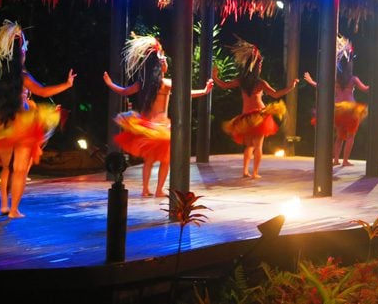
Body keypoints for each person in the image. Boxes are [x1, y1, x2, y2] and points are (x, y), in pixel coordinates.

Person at [0, 20, 75, 218]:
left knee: (6, 168)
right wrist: (67, 84)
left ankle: (3, 204)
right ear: (21, 53)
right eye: (24, 49)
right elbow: (43, 92)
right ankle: (14, 210)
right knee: (19, 170)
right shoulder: (23, 75)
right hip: (24, 127)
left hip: (4, 125)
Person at [103, 33, 213, 197]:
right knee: (166, 160)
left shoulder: (143, 84)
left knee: (149, 160)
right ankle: (158, 190)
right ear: (160, 66)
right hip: (161, 129)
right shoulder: (165, 83)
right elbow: (186, 92)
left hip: (147, 127)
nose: (166, 63)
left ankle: (145, 189)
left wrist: (110, 83)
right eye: (164, 61)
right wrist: (204, 91)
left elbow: (124, 91)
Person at [212, 36, 298, 179]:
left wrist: (215, 77)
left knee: (249, 146)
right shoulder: (260, 83)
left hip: (247, 117)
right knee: (258, 146)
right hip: (259, 116)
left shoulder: (241, 81)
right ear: (255, 67)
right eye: (259, 65)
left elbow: (223, 85)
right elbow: (276, 95)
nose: (260, 67)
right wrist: (291, 87)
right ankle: (255, 173)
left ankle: (246, 171)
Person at [303, 35, 369, 166]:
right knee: (350, 136)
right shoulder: (353, 79)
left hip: (337, 109)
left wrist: (311, 81)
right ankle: (345, 161)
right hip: (350, 109)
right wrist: (375, 86)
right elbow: (365, 89)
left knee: (339, 136)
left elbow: (322, 86)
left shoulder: (335, 79)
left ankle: (336, 160)